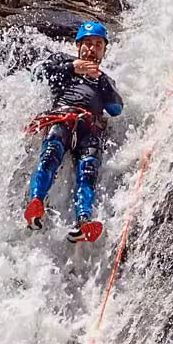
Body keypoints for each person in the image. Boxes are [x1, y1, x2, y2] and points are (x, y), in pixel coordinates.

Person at [24, 20, 123, 243]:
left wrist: (102, 82)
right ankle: (36, 201)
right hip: (63, 117)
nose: (92, 49)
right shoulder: (63, 61)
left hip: (90, 127)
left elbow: (116, 108)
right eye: (87, 43)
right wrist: (72, 68)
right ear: (78, 45)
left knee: (88, 170)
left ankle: (83, 221)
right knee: (51, 154)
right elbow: (39, 74)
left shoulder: (105, 80)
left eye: (98, 45)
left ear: (104, 50)